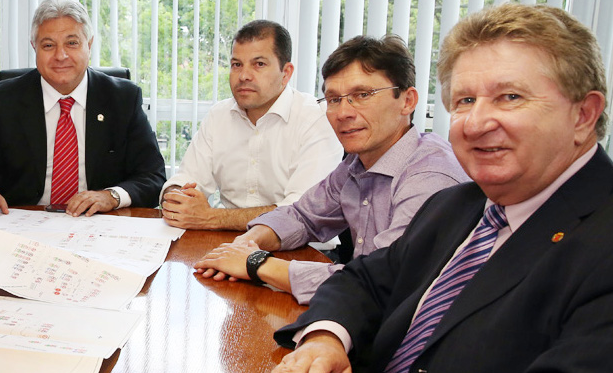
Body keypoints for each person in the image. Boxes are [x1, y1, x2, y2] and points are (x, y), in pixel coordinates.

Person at [264, 4, 613, 373]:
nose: (477, 124)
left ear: (585, 114)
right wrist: (327, 338)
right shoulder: (464, 206)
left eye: (510, 98)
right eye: (464, 102)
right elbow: (365, 280)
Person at [193, 35, 467, 304]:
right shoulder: (355, 165)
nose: (343, 112)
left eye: (362, 95)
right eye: (334, 99)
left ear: (407, 101)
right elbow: (302, 216)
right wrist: (247, 242)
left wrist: (256, 263)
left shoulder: (430, 176)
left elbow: (384, 281)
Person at [0, 0, 166, 217]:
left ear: (89, 44)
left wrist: (111, 196)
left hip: (99, 227)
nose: (61, 55)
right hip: (25, 229)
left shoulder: (122, 98)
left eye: (72, 43)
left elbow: (153, 178)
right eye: (48, 45)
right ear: (34, 47)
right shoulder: (6, 101)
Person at [161, 20, 341, 230]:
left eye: (259, 64)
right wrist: (175, 196)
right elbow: (188, 178)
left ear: (286, 73)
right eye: (237, 65)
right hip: (229, 242)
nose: (244, 76)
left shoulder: (315, 119)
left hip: (301, 251)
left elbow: (300, 212)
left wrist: (212, 218)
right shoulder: (219, 116)